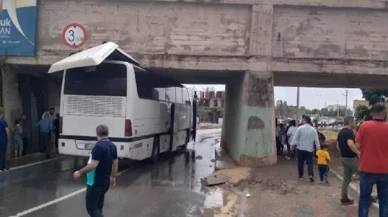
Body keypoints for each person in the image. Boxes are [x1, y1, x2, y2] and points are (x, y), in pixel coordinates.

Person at [73, 124, 118, 217]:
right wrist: (113, 177)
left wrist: (80, 172)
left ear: (97, 134)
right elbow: (115, 163)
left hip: (95, 182)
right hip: (105, 182)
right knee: (98, 207)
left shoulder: (98, 147)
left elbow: (94, 165)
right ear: (107, 133)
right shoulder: (112, 146)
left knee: (92, 209)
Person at [356, 104, 388, 217]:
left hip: (367, 168)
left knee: (364, 199)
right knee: (384, 200)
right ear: (384, 113)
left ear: (371, 113)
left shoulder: (364, 126)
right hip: (385, 169)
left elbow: (357, 145)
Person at [337, 116, 360, 205]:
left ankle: (344, 197)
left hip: (344, 158)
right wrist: (358, 153)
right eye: (353, 121)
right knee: (365, 175)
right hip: (351, 158)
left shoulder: (341, 132)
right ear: (350, 122)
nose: (354, 123)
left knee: (346, 179)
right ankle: (367, 197)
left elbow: (338, 146)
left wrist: (342, 153)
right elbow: (350, 144)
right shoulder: (349, 132)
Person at [291, 115, 320, 182]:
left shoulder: (300, 128)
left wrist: (292, 145)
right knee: (310, 163)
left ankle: (301, 176)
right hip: (310, 149)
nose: (302, 121)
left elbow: (296, 137)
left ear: (304, 120)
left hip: (300, 148)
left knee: (300, 162)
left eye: (302, 120)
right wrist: (318, 147)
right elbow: (316, 140)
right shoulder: (313, 130)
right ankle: (310, 175)